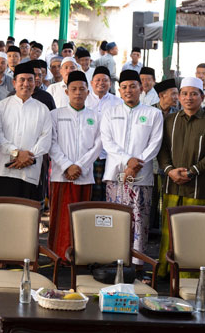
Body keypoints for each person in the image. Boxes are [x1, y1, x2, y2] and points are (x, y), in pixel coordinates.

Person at [100, 69, 163, 266]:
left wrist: (137, 163)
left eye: (133, 86)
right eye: (124, 87)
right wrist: (128, 161)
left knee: (139, 220)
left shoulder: (153, 114)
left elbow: (155, 143)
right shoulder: (110, 113)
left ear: (141, 88)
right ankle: (114, 260)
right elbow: (107, 142)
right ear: (119, 91)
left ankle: (136, 264)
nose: (128, 90)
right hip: (116, 174)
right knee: (116, 218)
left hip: (141, 176)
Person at [48, 71, 102, 261]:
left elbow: (99, 144)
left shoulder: (95, 117)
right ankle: (57, 255)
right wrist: (66, 165)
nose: (78, 93)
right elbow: (51, 143)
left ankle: (80, 255)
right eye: (74, 89)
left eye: (82, 89)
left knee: (81, 217)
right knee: (60, 217)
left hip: (84, 175)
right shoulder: (55, 115)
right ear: (66, 91)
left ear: (88, 92)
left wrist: (79, 166)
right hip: (60, 175)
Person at [157, 77, 205, 277]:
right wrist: (169, 170)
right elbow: (162, 150)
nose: (188, 98)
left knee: (193, 231)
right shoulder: (169, 120)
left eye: (194, 93)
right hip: (172, 184)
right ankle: (164, 272)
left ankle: (189, 274)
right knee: (169, 230)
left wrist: (192, 171)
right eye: (184, 93)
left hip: (198, 187)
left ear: (202, 97)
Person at [0, 62, 52, 199]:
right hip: (4, 171)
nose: (26, 84)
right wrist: (17, 153)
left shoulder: (43, 109)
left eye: (30, 80)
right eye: (22, 80)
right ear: (14, 83)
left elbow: (46, 139)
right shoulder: (0, 107)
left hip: (30, 172)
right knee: (3, 216)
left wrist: (28, 157)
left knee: (28, 218)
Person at [85, 66, 123, 201]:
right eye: (98, 80)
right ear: (91, 82)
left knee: (107, 194)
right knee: (89, 194)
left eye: (105, 80)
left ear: (110, 84)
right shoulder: (84, 100)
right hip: (87, 154)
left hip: (109, 155)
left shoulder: (118, 102)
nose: (101, 83)